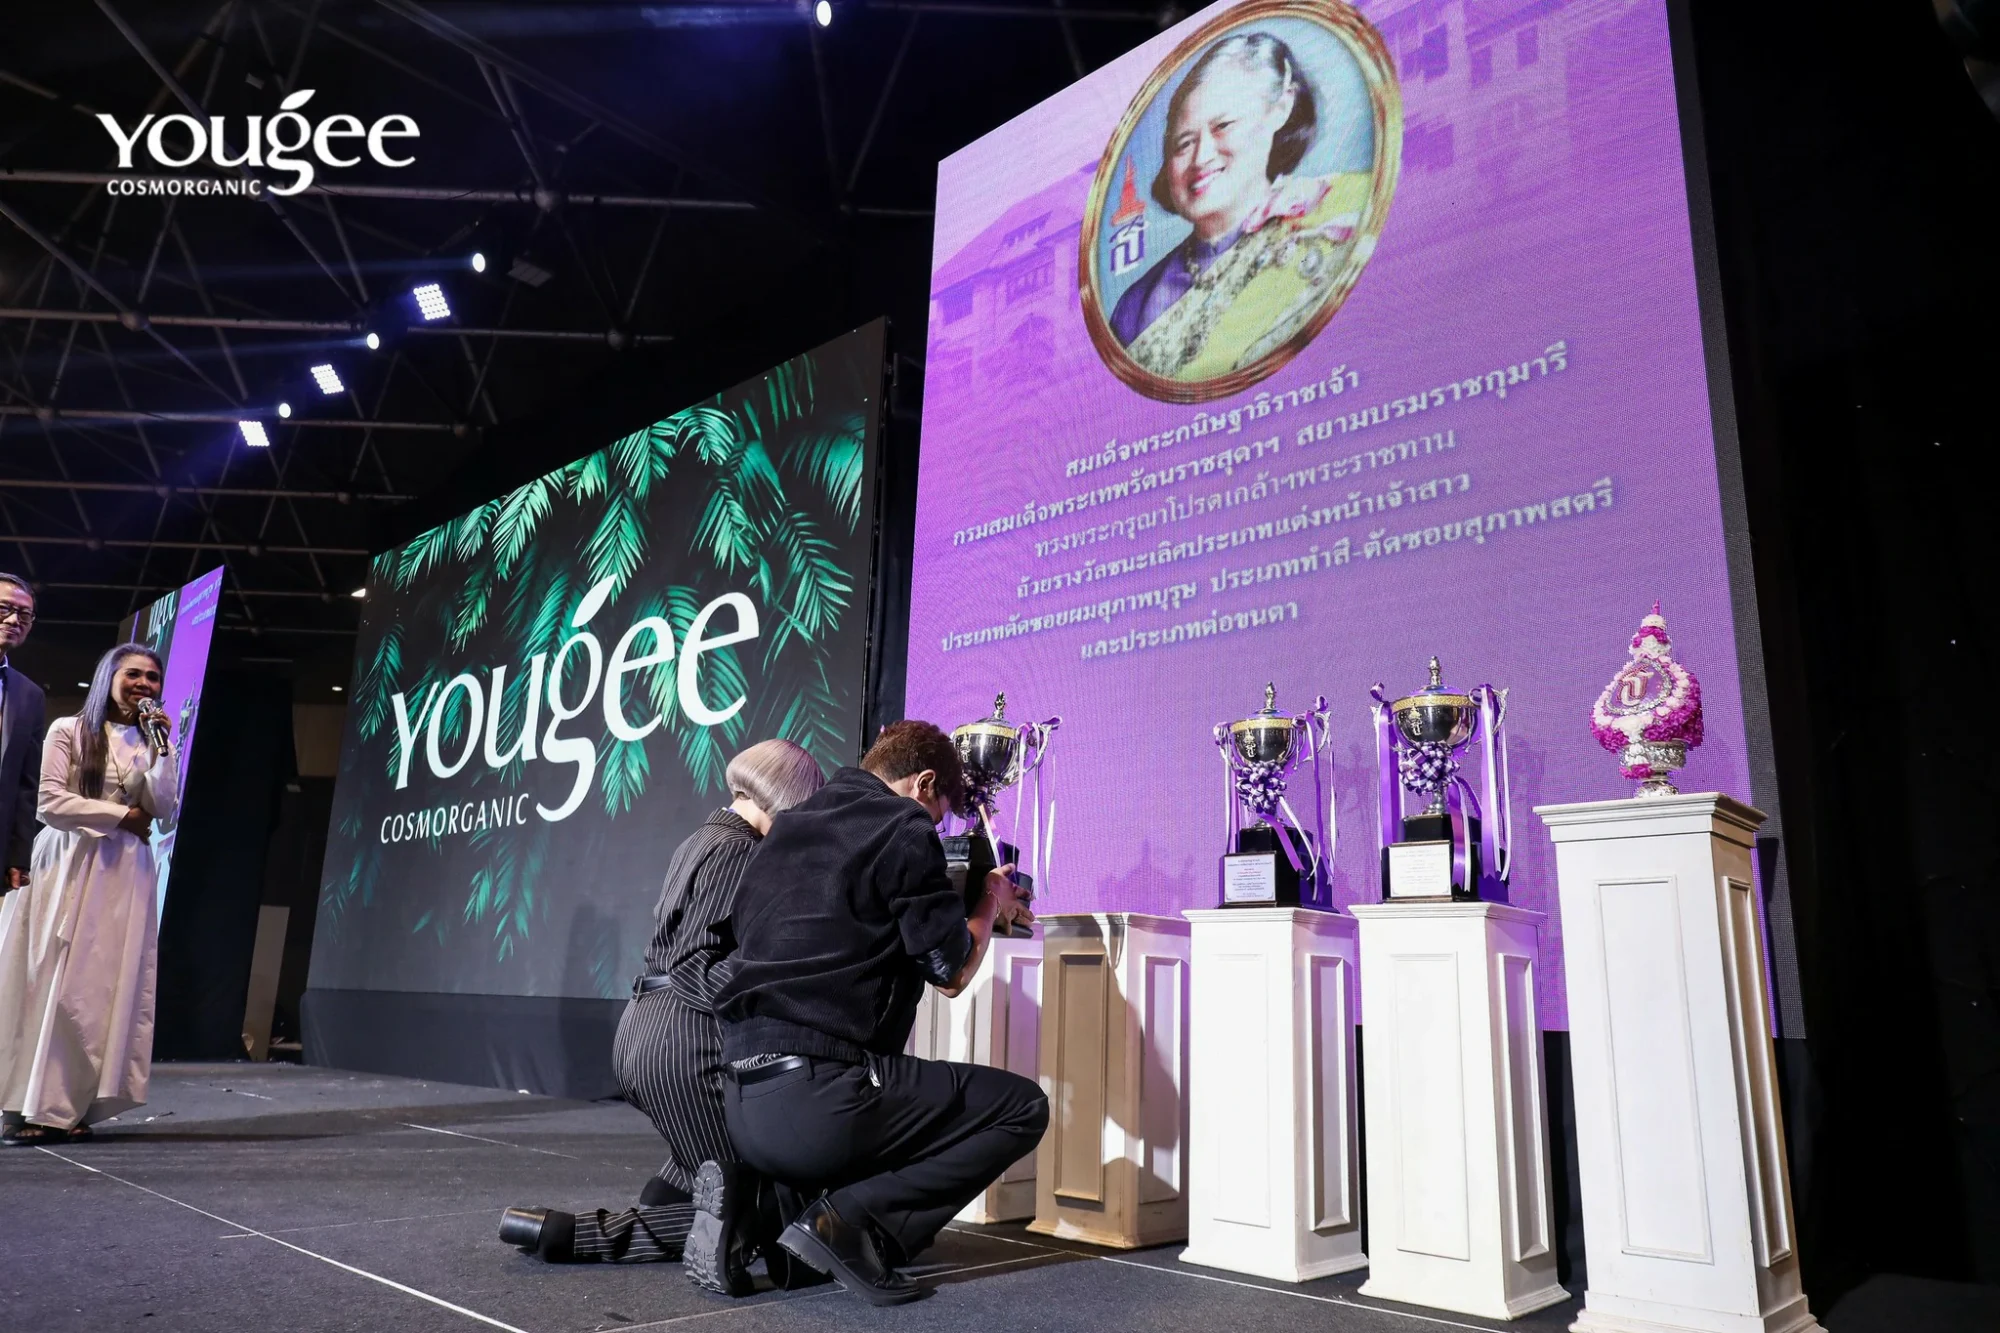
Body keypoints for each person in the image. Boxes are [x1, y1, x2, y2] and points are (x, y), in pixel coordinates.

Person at [705, 720, 1046, 1306]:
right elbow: (951, 973)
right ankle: (847, 1224)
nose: (933, 829)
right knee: (1021, 1108)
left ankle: (762, 1209)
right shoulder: (902, 825)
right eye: (939, 816)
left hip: (740, 1101)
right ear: (924, 783)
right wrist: (989, 902)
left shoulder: (785, 830)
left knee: (815, 1261)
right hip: (820, 1101)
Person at [499, 739, 826, 1284]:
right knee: (751, 1211)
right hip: (682, 1043)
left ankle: (653, 1203)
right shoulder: (740, 850)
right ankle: (565, 1232)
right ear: (788, 796)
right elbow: (694, 961)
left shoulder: (701, 838)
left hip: (645, 1030)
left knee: (704, 1179)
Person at [1109, 32, 1373, 381]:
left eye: (1223, 126)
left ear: (1280, 108)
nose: (1201, 158)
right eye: (1183, 143)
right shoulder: (1133, 307)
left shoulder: (1346, 208)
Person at [0, 643, 176, 1144]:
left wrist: (164, 748)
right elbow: (50, 801)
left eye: (153, 677)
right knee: (52, 983)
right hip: (69, 864)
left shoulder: (153, 739)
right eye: (134, 674)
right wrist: (123, 816)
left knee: (100, 990)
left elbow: (164, 805)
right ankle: (30, 1101)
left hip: (123, 876)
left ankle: (69, 1104)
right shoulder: (69, 730)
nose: (144, 684)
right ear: (108, 678)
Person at [0, 575, 47, 903]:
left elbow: (26, 785)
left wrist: (18, 855)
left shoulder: (29, 694)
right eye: (4, 608)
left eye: (25, 614)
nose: (15, 619)